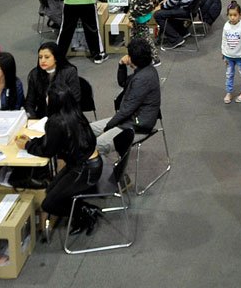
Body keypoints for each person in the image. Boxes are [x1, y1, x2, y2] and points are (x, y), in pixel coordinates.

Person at [17, 86, 103, 234]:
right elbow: (51, 141)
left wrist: (27, 145)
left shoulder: (55, 122)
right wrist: (32, 141)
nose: (45, 99)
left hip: (84, 169)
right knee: (51, 190)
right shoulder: (74, 113)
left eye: (47, 97)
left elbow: (47, 151)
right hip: (88, 163)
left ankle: (85, 213)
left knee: (49, 204)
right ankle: (82, 210)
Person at [89, 37, 162, 183]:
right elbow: (123, 82)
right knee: (88, 129)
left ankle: (107, 178)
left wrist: (109, 127)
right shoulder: (145, 70)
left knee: (97, 145)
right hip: (128, 119)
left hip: (136, 125)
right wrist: (121, 65)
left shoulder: (143, 78)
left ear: (133, 59)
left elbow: (126, 110)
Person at [25, 41, 80, 119]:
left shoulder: (69, 72)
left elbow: (75, 99)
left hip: (65, 116)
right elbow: (29, 103)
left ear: (56, 58)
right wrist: (33, 119)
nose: (42, 60)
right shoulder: (35, 74)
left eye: (47, 57)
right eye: (40, 57)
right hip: (42, 117)